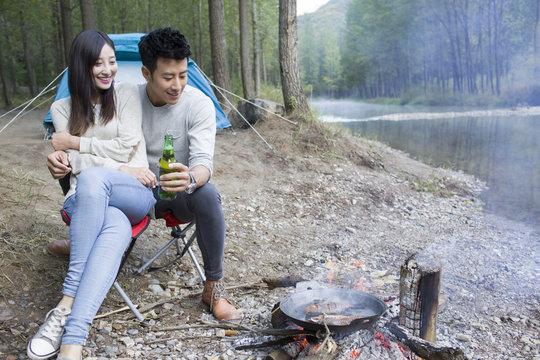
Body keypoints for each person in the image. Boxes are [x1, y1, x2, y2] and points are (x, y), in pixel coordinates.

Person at [46, 28, 240, 321]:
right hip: (128, 191)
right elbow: (88, 150)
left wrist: (190, 178)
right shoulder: (126, 97)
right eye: (168, 77)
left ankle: (214, 286)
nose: (177, 85)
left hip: (172, 193)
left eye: (183, 75)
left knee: (208, 193)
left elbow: (203, 164)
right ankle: (82, 239)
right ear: (146, 74)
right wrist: (62, 154)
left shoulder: (198, 104)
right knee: (76, 173)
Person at [28, 30, 156, 360]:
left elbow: (125, 145)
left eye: (111, 62)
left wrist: (76, 144)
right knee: (113, 224)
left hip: (134, 194)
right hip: (88, 198)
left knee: (95, 177)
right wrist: (122, 167)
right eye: (97, 63)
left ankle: (66, 300)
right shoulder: (61, 108)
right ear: (80, 66)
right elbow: (77, 165)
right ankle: (72, 340)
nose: (107, 69)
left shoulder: (126, 94)